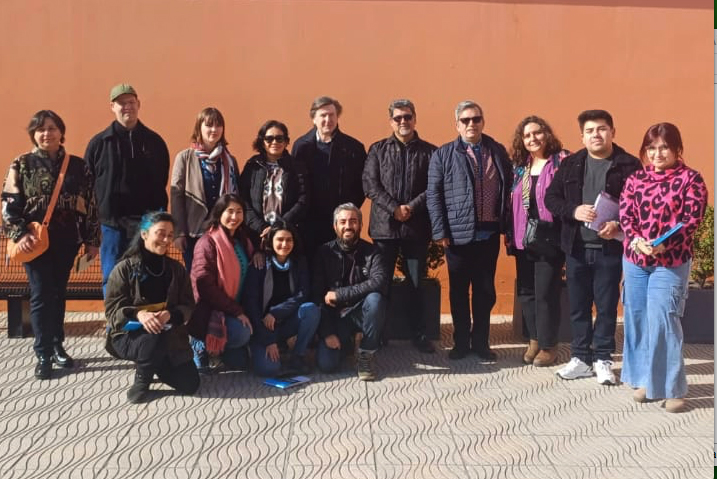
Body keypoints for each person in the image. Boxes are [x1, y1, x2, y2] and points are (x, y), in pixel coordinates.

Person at [1, 110, 100, 380]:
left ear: (61, 132)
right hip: (34, 241)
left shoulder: (78, 166)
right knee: (41, 293)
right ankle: (43, 352)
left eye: (52, 128)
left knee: (58, 292)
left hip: (67, 240)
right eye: (41, 129)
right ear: (33, 134)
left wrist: (92, 240)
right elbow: (9, 203)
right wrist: (20, 234)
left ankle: (57, 345)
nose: (47, 133)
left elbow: (91, 204)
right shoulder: (22, 164)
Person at [545, 109, 641, 385]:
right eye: (589, 131)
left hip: (609, 249)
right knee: (578, 306)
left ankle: (603, 358)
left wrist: (619, 224)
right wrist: (573, 210)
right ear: (582, 136)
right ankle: (580, 358)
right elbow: (551, 198)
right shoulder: (571, 163)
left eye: (601, 129)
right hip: (576, 247)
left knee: (607, 306)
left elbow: (640, 205)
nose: (595, 135)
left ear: (612, 132)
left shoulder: (629, 165)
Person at [619, 122, 708, 413]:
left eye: (664, 147)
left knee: (664, 320)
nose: (657, 154)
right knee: (638, 319)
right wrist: (635, 240)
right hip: (635, 260)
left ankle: (673, 388)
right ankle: (647, 380)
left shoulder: (691, 179)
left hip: (670, 261)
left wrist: (663, 244)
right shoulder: (636, 179)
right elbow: (626, 214)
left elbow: (691, 219)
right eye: (651, 148)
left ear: (677, 149)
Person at [426, 100, 512, 361]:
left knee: (485, 291)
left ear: (483, 122)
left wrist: (506, 224)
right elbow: (433, 195)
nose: (471, 124)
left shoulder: (497, 150)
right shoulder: (443, 154)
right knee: (459, 291)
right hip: (457, 236)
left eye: (476, 119)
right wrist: (440, 231)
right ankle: (461, 342)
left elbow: (508, 187)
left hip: (488, 234)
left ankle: (481, 342)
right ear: (457, 125)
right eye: (465, 120)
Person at [362, 99, 436, 353]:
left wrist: (411, 207)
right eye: (398, 118)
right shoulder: (377, 150)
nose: (403, 121)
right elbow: (370, 185)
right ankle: (380, 332)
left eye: (407, 117)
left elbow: (434, 186)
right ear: (390, 121)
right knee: (381, 283)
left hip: (416, 230)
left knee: (416, 282)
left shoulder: (430, 152)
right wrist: (394, 208)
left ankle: (419, 334)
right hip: (385, 229)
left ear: (415, 119)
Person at [84, 83, 170, 295]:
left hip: (145, 225)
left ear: (138, 104)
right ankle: (115, 316)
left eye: (131, 102)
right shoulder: (98, 144)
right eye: (121, 103)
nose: (127, 107)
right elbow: (86, 188)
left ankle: (141, 316)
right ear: (112, 107)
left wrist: (157, 221)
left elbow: (161, 183)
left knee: (145, 277)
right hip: (110, 225)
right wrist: (91, 227)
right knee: (112, 276)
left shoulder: (155, 142)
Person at [105, 211, 199, 403]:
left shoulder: (176, 269)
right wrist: (139, 314)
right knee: (152, 337)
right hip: (130, 336)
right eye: (160, 233)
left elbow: (189, 305)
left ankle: (154, 362)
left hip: (169, 334)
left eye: (170, 235)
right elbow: (112, 312)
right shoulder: (124, 269)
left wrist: (170, 315)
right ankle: (142, 381)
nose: (166, 240)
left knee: (190, 384)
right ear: (144, 234)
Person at [507, 116, 570, 367]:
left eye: (537, 133)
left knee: (546, 293)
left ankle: (548, 345)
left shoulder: (561, 162)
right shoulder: (520, 167)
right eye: (527, 135)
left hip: (549, 238)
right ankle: (533, 339)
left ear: (546, 134)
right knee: (526, 292)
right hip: (523, 237)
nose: (532, 139)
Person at [313, 203, 388, 380]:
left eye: (353, 221)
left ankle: (366, 352)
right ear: (335, 226)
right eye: (343, 222)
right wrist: (327, 333)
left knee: (375, 299)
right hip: (334, 316)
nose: (348, 226)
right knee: (327, 365)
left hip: (361, 312)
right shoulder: (323, 252)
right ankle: (346, 342)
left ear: (361, 225)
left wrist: (340, 294)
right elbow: (316, 294)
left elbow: (379, 281)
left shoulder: (373, 251)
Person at [187, 194, 257, 373]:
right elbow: (205, 288)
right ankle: (199, 343)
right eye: (230, 211)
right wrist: (237, 311)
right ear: (219, 213)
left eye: (239, 212)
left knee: (241, 362)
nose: (235, 216)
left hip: (232, 308)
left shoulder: (243, 241)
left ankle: (220, 349)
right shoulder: (207, 242)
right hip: (209, 311)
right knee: (242, 332)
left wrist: (259, 253)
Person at [292, 96, 367, 258]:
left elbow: (362, 185)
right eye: (323, 115)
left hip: (341, 223)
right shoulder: (301, 147)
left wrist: (346, 212)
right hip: (309, 223)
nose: (328, 120)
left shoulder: (353, 148)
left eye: (332, 115)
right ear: (313, 119)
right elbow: (295, 183)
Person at [244, 221, 320, 376]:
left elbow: (302, 294)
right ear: (271, 241)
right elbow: (251, 305)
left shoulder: (299, 262)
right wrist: (268, 340)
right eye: (280, 239)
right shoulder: (260, 264)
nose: (284, 244)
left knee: (310, 310)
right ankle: (269, 346)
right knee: (269, 369)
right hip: (262, 326)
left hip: (285, 321)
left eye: (289, 240)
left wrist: (275, 312)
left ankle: (298, 356)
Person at [170, 107, 240, 272]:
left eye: (218, 125)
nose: (214, 130)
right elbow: (176, 196)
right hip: (194, 232)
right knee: (197, 276)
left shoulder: (230, 160)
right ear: (199, 127)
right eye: (209, 125)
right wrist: (179, 233)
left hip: (222, 231)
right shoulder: (184, 158)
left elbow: (236, 196)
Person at [239, 120, 306, 240]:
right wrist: (261, 227)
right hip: (257, 234)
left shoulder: (296, 167)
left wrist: (280, 225)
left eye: (279, 138)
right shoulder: (253, 166)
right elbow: (243, 199)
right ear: (262, 142)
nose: (274, 142)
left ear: (286, 141)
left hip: (286, 234)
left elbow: (303, 200)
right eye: (269, 139)